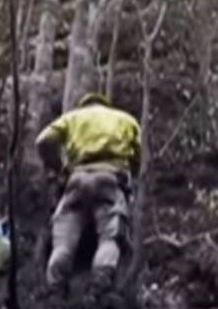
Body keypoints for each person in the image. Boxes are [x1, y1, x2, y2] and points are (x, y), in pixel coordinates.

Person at [35, 92, 141, 296]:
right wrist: (131, 176)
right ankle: (99, 289)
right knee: (110, 238)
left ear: (84, 105)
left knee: (63, 243)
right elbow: (140, 156)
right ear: (105, 104)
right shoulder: (125, 119)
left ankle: (54, 291)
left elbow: (43, 140)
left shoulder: (73, 117)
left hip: (76, 180)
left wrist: (59, 166)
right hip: (110, 178)